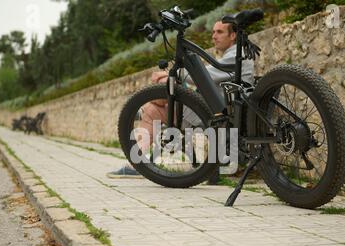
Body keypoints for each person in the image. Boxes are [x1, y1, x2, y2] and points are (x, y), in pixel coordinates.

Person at [109, 21, 254, 181]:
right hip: (211, 110)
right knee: (154, 107)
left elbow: (204, 77)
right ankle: (137, 157)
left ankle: (137, 151)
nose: (214, 36)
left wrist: (174, 74)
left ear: (233, 35)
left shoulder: (237, 55)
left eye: (219, 32)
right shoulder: (232, 55)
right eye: (213, 32)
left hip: (216, 114)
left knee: (158, 96)